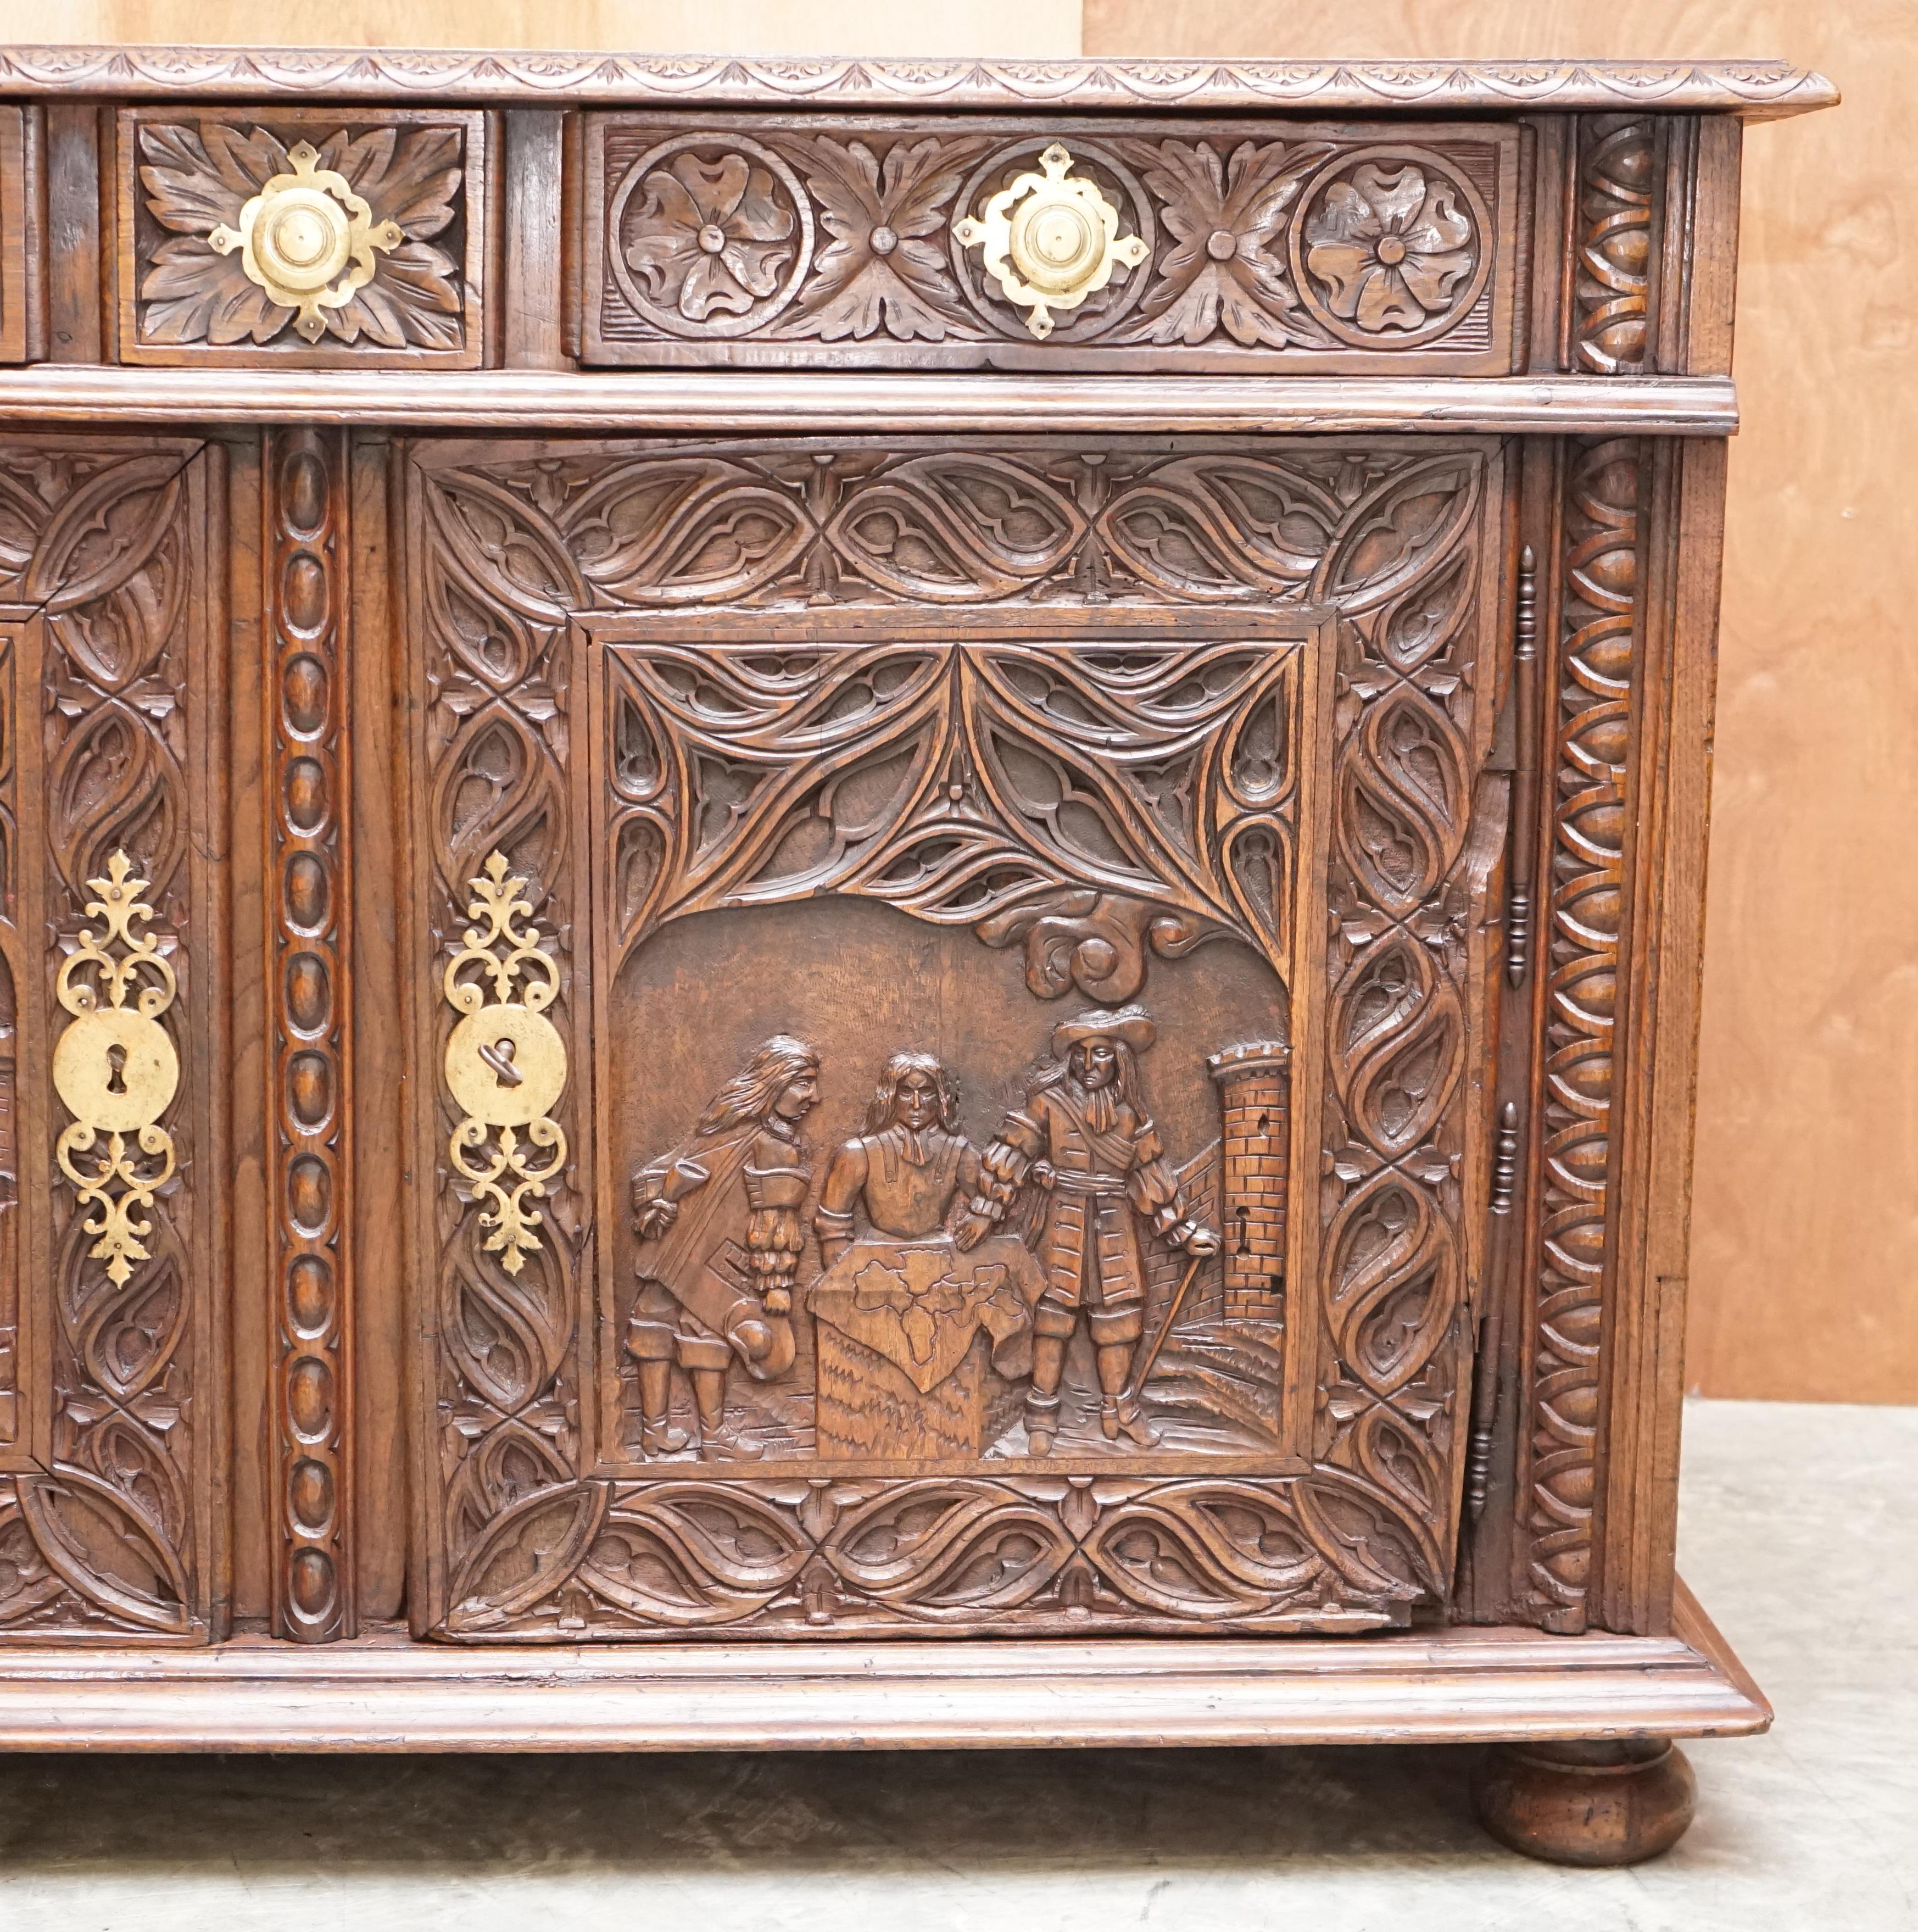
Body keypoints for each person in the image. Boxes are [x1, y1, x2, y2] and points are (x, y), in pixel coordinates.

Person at [956, 1006, 1219, 1454]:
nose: (1088, 1064)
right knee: (1053, 1319)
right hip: (1064, 1221)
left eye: (1101, 1054)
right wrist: (985, 1211)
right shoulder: (1049, 1104)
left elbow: (1150, 1177)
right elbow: (1012, 1152)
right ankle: (1041, 1414)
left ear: (1119, 1059)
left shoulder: (1130, 1119)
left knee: (1118, 1321)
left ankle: (1120, 1410)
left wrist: (1182, 1232)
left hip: (1115, 1225)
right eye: (1081, 1054)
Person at [627, 1034, 818, 1461]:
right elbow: (776, 1223)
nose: (814, 1096)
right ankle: (666, 1433)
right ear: (775, 1083)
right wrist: (660, 1201)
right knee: (664, 1324)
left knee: (684, 1326)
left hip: (710, 1253)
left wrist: (775, 1283)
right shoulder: (744, 1135)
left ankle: (697, 1434)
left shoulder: (764, 1139)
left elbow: (777, 1218)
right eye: (803, 1083)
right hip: (689, 1248)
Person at [814, 1050, 980, 1264]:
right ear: (890, 1096)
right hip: (874, 1264)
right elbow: (831, 1227)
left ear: (941, 1097)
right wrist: (845, 1278)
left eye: (926, 1091)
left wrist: (984, 1217)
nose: (917, 1103)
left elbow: (992, 1200)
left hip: (939, 1262)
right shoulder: (858, 1153)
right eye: (906, 1092)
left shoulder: (959, 1152)